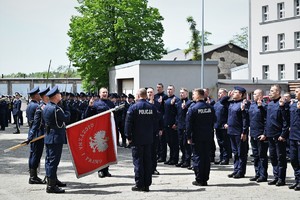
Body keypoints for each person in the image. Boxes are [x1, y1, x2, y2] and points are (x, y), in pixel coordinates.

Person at [125, 88, 158, 192]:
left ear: (138, 96)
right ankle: (147, 184)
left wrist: (128, 137)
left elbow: (128, 124)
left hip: (137, 139)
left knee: (138, 162)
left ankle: (139, 184)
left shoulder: (133, 108)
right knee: (147, 161)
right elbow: (156, 122)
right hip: (148, 139)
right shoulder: (152, 107)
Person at [43, 86, 70, 193]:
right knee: (53, 162)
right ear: (55, 96)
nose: (61, 96)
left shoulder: (47, 107)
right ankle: (51, 186)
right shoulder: (56, 109)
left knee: (50, 161)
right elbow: (66, 118)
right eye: (59, 94)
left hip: (49, 136)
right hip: (55, 138)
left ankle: (53, 181)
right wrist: (66, 108)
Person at [186, 88, 215, 186]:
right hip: (207, 136)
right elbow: (214, 120)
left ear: (198, 95)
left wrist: (188, 137)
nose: (192, 96)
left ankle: (199, 179)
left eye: (194, 94)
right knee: (206, 158)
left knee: (197, 157)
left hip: (197, 137)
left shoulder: (193, 108)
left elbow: (189, 124)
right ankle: (205, 179)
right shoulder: (210, 107)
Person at [85, 87, 115, 178]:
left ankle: (106, 169)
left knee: (107, 150)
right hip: (99, 130)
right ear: (99, 94)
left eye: (106, 92)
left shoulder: (111, 103)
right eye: (103, 92)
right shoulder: (95, 104)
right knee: (100, 151)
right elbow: (87, 116)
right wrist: (89, 107)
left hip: (108, 129)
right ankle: (100, 170)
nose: (105, 94)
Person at [265, 84, 289, 186]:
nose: (270, 93)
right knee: (273, 157)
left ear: (278, 92)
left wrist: (283, 135)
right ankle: (276, 176)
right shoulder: (270, 104)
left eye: (272, 91)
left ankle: (281, 178)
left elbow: (286, 121)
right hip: (270, 134)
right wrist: (265, 133)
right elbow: (267, 120)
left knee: (281, 157)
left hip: (279, 136)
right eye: (270, 91)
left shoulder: (282, 104)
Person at [225, 86, 249, 179]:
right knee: (235, 152)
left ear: (241, 95)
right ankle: (236, 170)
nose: (233, 93)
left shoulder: (243, 104)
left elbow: (245, 119)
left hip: (239, 132)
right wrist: (228, 96)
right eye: (233, 92)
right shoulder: (232, 103)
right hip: (231, 131)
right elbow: (222, 102)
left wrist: (244, 132)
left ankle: (241, 171)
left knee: (241, 153)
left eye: (236, 92)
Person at [23, 86, 45, 184]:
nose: (40, 95)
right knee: (36, 155)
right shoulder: (36, 106)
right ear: (35, 95)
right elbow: (38, 122)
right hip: (37, 132)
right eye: (38, 94)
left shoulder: (30, 105)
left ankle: (33, 175)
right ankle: (33, 177)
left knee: (33, 154)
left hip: (33, 131)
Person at [247, 89, 269, 182]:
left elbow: (267, 121)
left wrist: (265, 133)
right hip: (253, 133)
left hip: (261, 134)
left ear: (260, 96)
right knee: (255, 155)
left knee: (262, 156)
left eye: (255, 94)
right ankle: (257, 173)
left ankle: (263, 175)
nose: (254, 96)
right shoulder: (252, 105)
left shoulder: (264, 106)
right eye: (253, 94)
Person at [147, 87, 163, 175]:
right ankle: (147, 168)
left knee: (154, 151)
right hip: (146, 131)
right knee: (147, 151)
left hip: (155, 130)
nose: (150, 94)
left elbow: (160, 118)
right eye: (148, 92)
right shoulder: (144, 104)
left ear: (154, 93)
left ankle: (154, 168)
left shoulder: (157, 104)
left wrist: (161, 128)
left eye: (151, 92)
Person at [213, 88, 231, 165]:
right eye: (219, 93)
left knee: (225, 143)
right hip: (217, 126)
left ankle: (225, 158)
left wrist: (228, 123)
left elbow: (230, 115)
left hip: (224, 126)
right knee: (220, 143)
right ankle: (221, 158)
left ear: (225, 94)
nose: (219, 94)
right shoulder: (217, 103)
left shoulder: (227, 103)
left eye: (221, 93)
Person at [176, 88, 192, 168]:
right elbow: (177, 114)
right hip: (179, 126)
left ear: (186, 94)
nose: (181, 94)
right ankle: (182, 160)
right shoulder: (178, 102)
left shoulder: (189, 103)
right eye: (180, 93)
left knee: (186, 145)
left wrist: (185, 108)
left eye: (182, 93)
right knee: (181, 144)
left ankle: (187, 161)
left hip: (186, 126)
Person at [163, 85, 180, 165]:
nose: (169, 91)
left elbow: (178, 113)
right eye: (168, 89)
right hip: (166, 124)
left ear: (173, 90)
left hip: (173, 125)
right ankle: (171, 158)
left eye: (170, 89)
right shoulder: (166, 99)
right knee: (169, 143)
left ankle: (175, 159)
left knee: (174, 143)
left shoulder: (176, 99)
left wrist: (176, 123)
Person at [288, 86, 300, 191]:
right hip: (293, 136)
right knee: (293, 159)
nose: (295, 93)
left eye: (297, 92)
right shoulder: (294, 104)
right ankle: (297, 181)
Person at [154, 83, 168, 163]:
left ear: (162, 88)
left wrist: (161, 103)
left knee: (163, 141)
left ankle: (163, 156)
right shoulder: (155, 96)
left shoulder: (165, 97)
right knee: (157, 141)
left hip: (162, 120)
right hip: (156, 120)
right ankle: (158, 155)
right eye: (157, 87)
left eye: (159, 87)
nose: (158, 88)